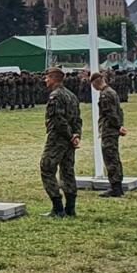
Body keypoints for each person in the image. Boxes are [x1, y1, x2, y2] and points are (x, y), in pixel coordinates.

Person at [39, 69, 81, 218]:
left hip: (58, 138)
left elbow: (58, 120)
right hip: (69, 140)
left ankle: (58, 208)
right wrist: (76, 135)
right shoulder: (72, 96)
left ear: (54, 79)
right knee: (67, 171)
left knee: (47, 168)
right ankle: (70, 208)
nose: (45, 81)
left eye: (47, 78)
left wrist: (70, 136)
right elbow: (77, 119)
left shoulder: (55, 96)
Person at [92, 72, 127, 198]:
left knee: (110, 158)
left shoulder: (105, 94)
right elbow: (119, 111)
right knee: (114, 157)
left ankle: (115, 187)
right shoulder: (112, 91)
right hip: (113, 129)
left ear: (96, 82)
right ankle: (117, 186)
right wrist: (120, 125)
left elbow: (110, 113)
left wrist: (118, 126)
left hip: (109, 130)